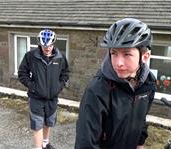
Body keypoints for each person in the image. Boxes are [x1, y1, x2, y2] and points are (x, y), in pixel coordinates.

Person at [75, 18, 156, 149]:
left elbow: (142, 118)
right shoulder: (97, 90)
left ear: (145, 56)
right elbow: (85, 143)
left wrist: (140, 143)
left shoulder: (148, 83)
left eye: (127, 54)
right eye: (114, 53)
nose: (118, 63)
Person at [18, 29, 69, 149]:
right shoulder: (31, 56)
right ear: (40, 44)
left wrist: (59, 86)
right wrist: (33, 86)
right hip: (36, 98)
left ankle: (45, 143)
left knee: (48, 122)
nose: (47, 48)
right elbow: (22, 73)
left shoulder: (60, 57)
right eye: (44, 46)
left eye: (50, 45)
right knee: (37, 125)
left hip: (52, 98)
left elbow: (65, 73)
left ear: (54, 44)